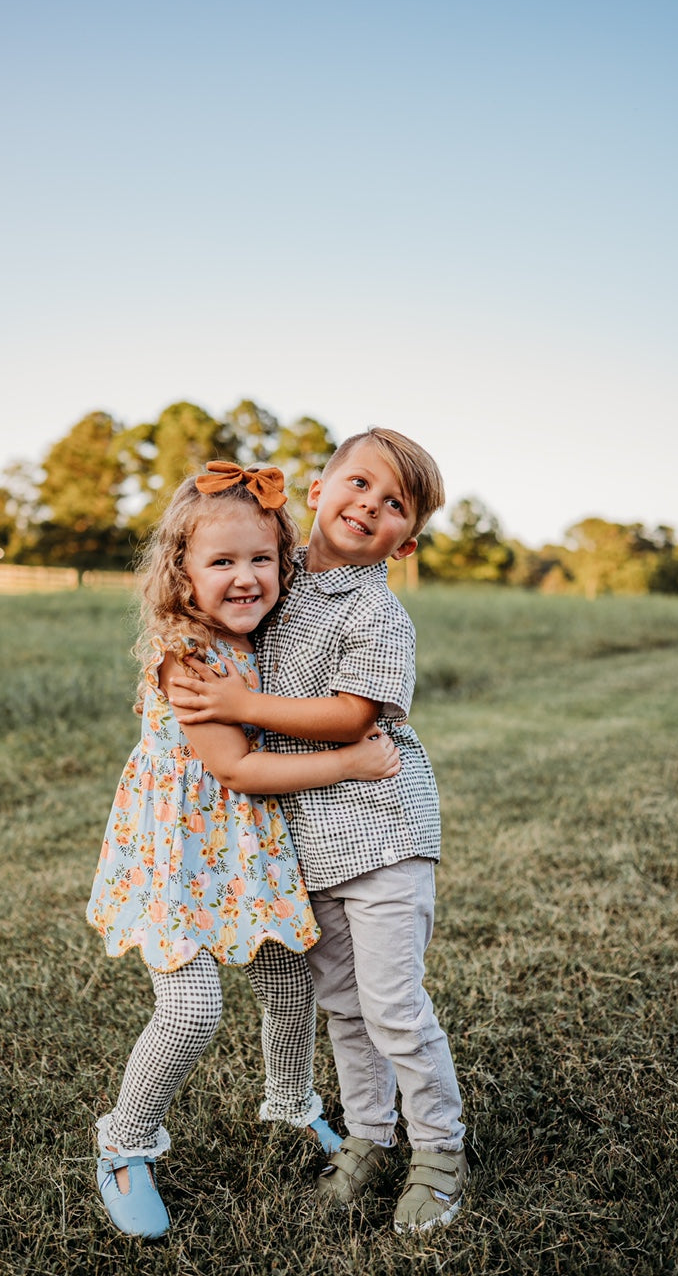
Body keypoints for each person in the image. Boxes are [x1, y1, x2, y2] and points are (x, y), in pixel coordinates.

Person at [86, 461, 400, 1240]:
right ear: (180, 572)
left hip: (242, 852)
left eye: (261, 559)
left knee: (289, 981)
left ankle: (291, 1105)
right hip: (180, 855)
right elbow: (236, 767)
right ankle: (123, 1145)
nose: (245, 577)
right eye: (221, 562)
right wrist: (350, 760)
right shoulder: (188, 653)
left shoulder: (260, 639)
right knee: (190, 1011)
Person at [169, 429, 468, 1235]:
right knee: (342, 1004)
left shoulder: (378, 612)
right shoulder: (275, 576)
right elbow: (209, 587)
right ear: (317, 488)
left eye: (395, 504)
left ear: (406, 542)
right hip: (306, 839)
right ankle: (371, 1137)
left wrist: (242, 708)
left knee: (394, 1006)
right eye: (360, 483)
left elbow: (352, 717)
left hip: (381, 832)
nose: (370, 505)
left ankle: (439, 1154)